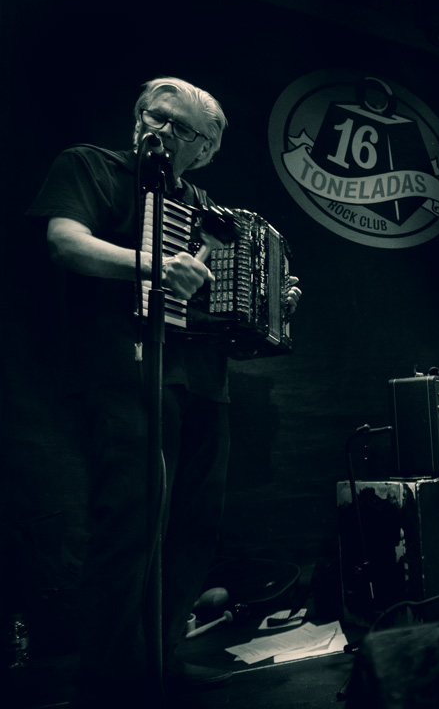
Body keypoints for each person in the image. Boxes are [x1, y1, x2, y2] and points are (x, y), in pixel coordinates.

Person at [26, 77, 301, 704]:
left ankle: (161, 658)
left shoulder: (206, 207)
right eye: (155, 116)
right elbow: (64, 241)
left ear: (205, 149)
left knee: (194, 526)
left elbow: (228, 289)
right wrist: (151, 266)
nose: (160, 130)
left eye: (181, 127)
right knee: (131, 521)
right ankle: (109, 680)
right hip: (123, 369)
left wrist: (274, 298)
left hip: (202, 380)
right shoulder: (91, 166)